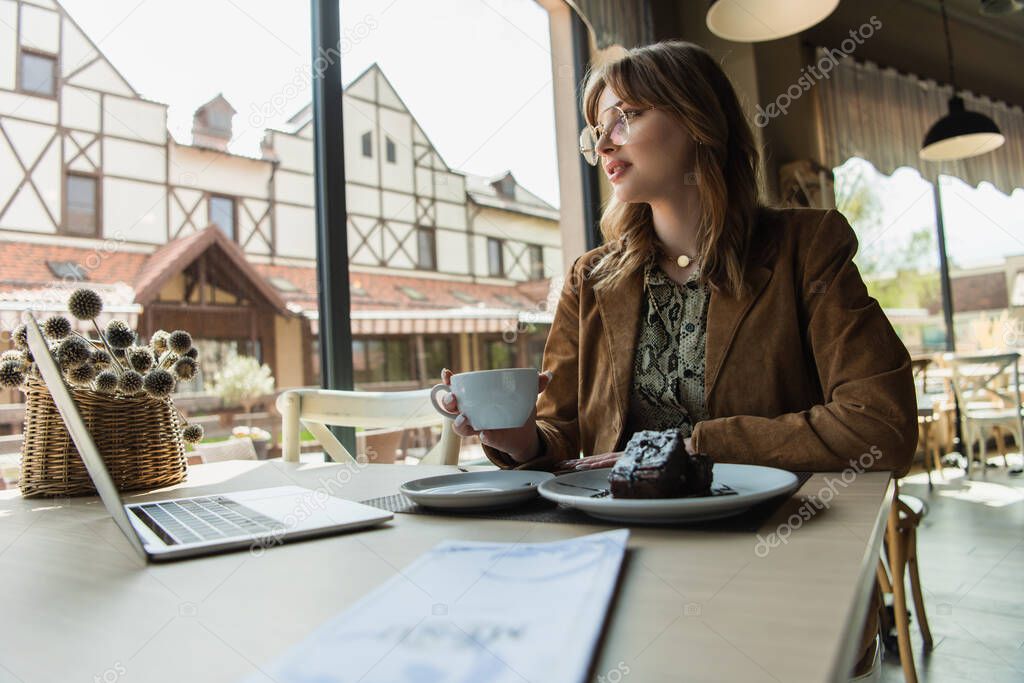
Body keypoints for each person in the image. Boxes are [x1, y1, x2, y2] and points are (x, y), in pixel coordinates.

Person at [437, 41, 916, 680]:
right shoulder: (591, 280)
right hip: (608, 557)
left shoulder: (807, 250)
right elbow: (566, 438)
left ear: (697, 122)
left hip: (771, 555)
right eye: (596, 131)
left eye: (625, 117)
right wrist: (518, 437)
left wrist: (693, 445)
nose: (604, 145)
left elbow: (880, 426)